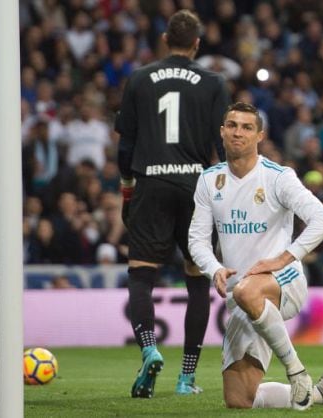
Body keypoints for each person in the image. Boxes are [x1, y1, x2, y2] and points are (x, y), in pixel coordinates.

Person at [189, 102, 323, 410]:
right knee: (240, 400)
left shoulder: (277, 177)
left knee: (249, 289)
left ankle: (296, 369)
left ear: (259, 135)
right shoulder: (209, 180)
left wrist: (283, 259)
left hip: (284, 282)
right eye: (232, 125)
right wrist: (214, 268)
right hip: (242, 296)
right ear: (222, 132)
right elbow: (197, 239)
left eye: (247, 127)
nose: (238, 132)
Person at [114, 10, 231, 397]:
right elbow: (223, 144)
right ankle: (186, 378)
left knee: (141, 275)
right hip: (195, 185)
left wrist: (128, 187)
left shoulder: (140, 78)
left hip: (151, 181)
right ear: (197, 43)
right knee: (197, 280)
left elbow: (126, 143)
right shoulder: (213, 83)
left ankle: (148, 348)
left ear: (164, 39)